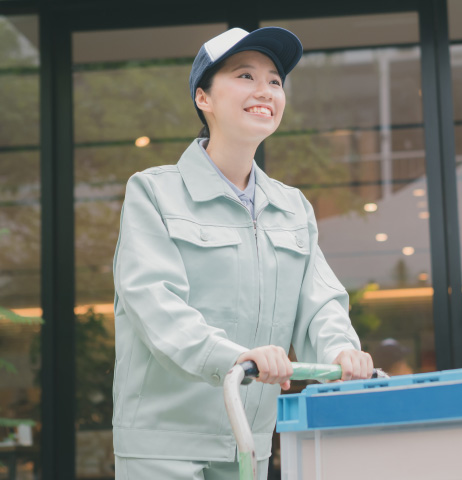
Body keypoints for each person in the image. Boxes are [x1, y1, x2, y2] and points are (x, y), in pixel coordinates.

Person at [111, 27, 373, 480]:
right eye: (244, 75)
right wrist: (234, 356)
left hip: (248, 443)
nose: (264, 91)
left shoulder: (292, 207)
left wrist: (342, 352)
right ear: (203, 98)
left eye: (274, 80)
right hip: (164, 444)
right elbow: (156, 303)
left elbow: (320, 305)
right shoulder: (154, 192)